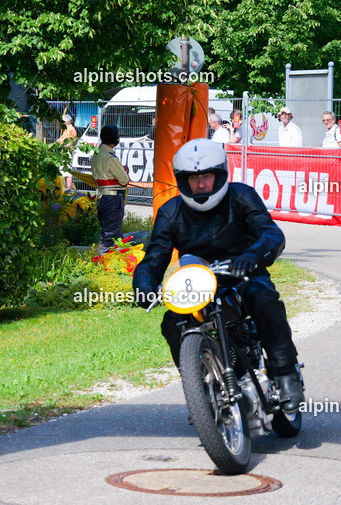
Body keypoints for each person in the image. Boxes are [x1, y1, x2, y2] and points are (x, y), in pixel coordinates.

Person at [131, 139, 305, 412]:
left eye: (207, 176)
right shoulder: (170, 212)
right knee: (171, 322)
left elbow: (271, 233)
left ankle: (286, 373)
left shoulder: (242, 196)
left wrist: (253, 255)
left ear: (220, 174)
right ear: (183, 180)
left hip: (243, 275)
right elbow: (155, 256)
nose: (201, 184)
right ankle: (200, 388)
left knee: (263, 298)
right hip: (198, 284)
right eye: (193, 178)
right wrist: (144, 285)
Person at [90, 124, 130, 254]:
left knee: (113, 236)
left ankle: (114, 262)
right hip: (113, 200)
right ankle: (101, 262)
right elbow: (124, 180)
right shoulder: (110, 158)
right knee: (109, 240)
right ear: (115, 138)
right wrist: (125, 170)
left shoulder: (96, 154)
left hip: (102, 198)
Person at [54, 113, 78, 189]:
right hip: (65, 151)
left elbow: (65, 142)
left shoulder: (70, 129)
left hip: (67, 151)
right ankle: (66, 188)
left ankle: (68, 188)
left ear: (65, 122)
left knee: (66, 171)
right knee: (64, 170)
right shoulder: (67, 129)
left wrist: (59, 141)